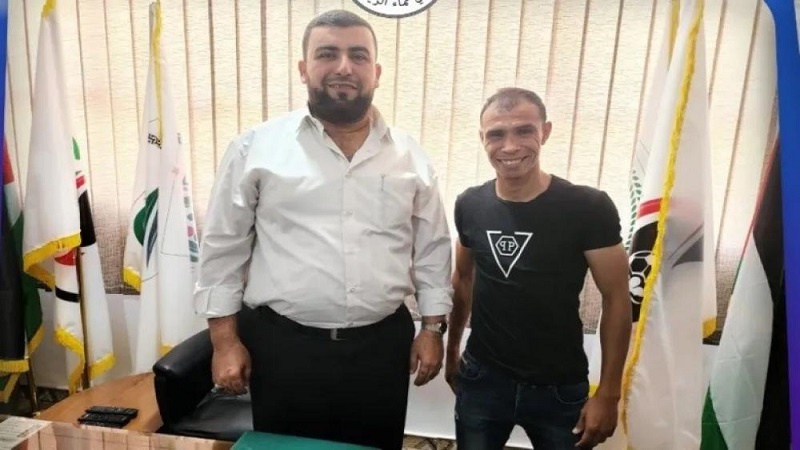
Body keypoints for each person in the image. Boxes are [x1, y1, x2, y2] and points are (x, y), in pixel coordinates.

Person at [193, 10, 453, 450]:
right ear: (303, 68)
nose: (344, 67)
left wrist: (432, 330)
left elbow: (432, 250)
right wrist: (224, 342)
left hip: (380, 349)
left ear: (376, 72)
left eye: (358, 55)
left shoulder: (410, 156)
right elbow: (223, 249)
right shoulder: (256, 148)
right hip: (284, 347)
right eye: (328, 54)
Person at [445, 87, 632, 449]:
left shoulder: (588, 208)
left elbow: (617, 298)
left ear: (544, 132)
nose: (510, 146)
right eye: (496, 134)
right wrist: (452, 352)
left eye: (524, 131)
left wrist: (609, 394)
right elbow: (463, 280)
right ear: (482, 139)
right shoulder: (470, 204)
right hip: (483, 380)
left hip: (559, 387)